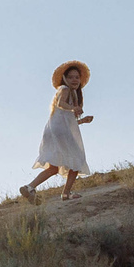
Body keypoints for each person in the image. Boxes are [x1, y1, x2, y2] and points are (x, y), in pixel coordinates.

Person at [21, 60, 94, 202]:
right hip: (59, 132)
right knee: (77, 160)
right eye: (71, 77)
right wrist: (74, 108)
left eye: (77, 77)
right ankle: (66, 194)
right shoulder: (64, 89)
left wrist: (82, 121)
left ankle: (29, 187)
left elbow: (67, 122)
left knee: (54, 167)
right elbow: (61, 104)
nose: (74, 80)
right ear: (65, 79)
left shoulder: (73, 94)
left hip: (54, 131)